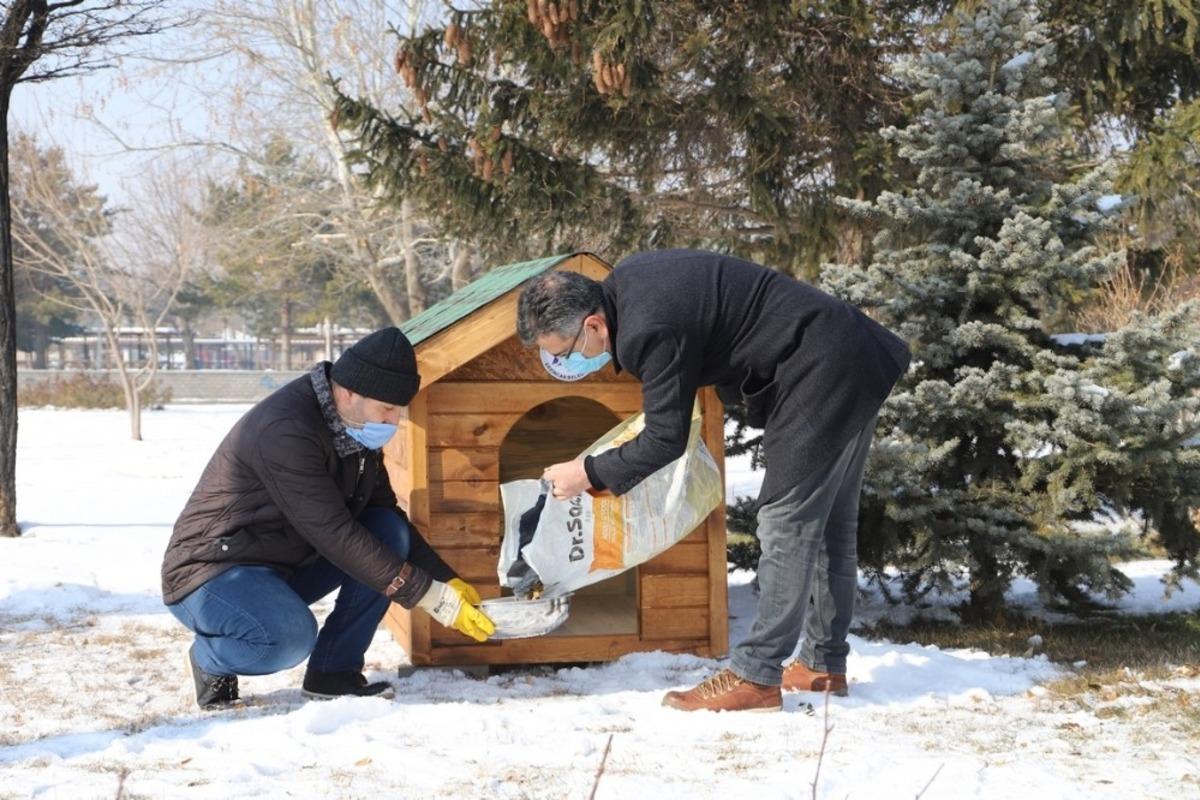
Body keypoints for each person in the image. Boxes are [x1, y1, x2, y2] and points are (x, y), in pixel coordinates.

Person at [516, 250, 910, 712]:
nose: (566, 363)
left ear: (595, 326)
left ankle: (756, 676)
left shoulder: (647, 329)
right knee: (828, 527)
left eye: (564, 352)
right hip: (850, 353)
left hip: (820, 369)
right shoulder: (633, 285)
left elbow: (666, 438)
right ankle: (822, 665)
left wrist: (586, 472)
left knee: (785, 521)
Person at [161, 327, 494, 709]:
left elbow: (383, 512)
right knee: (288, 639)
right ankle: (209, 657)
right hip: (214, 571)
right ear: (348, 392)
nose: (394, 420)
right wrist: (429, 595)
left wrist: (443, 577)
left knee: (387, 531)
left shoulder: (354, 428)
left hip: (284, 562)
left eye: (399, 410)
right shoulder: (286, 430)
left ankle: (334, 674)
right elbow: (333, 532)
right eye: (386, 409)